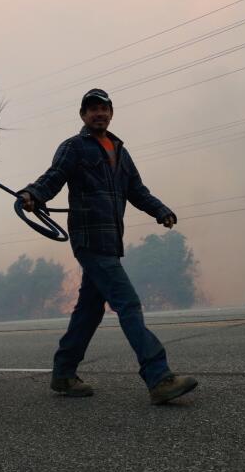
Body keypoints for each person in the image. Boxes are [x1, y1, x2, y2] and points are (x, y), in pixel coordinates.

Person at [19, 88, 198, 405]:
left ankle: (63, 373)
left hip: (111, 241)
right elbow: (54, 176)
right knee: (128, 304)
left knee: (89, 311)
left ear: (111, 112)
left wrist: (160, 210)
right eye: (92, 109)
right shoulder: (74, 147)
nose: (98, 113)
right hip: (90, 241)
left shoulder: (119, 150)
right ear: (83, 116)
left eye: (103, 108)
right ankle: (159, 377)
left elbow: (137, 190)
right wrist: (33, 194)